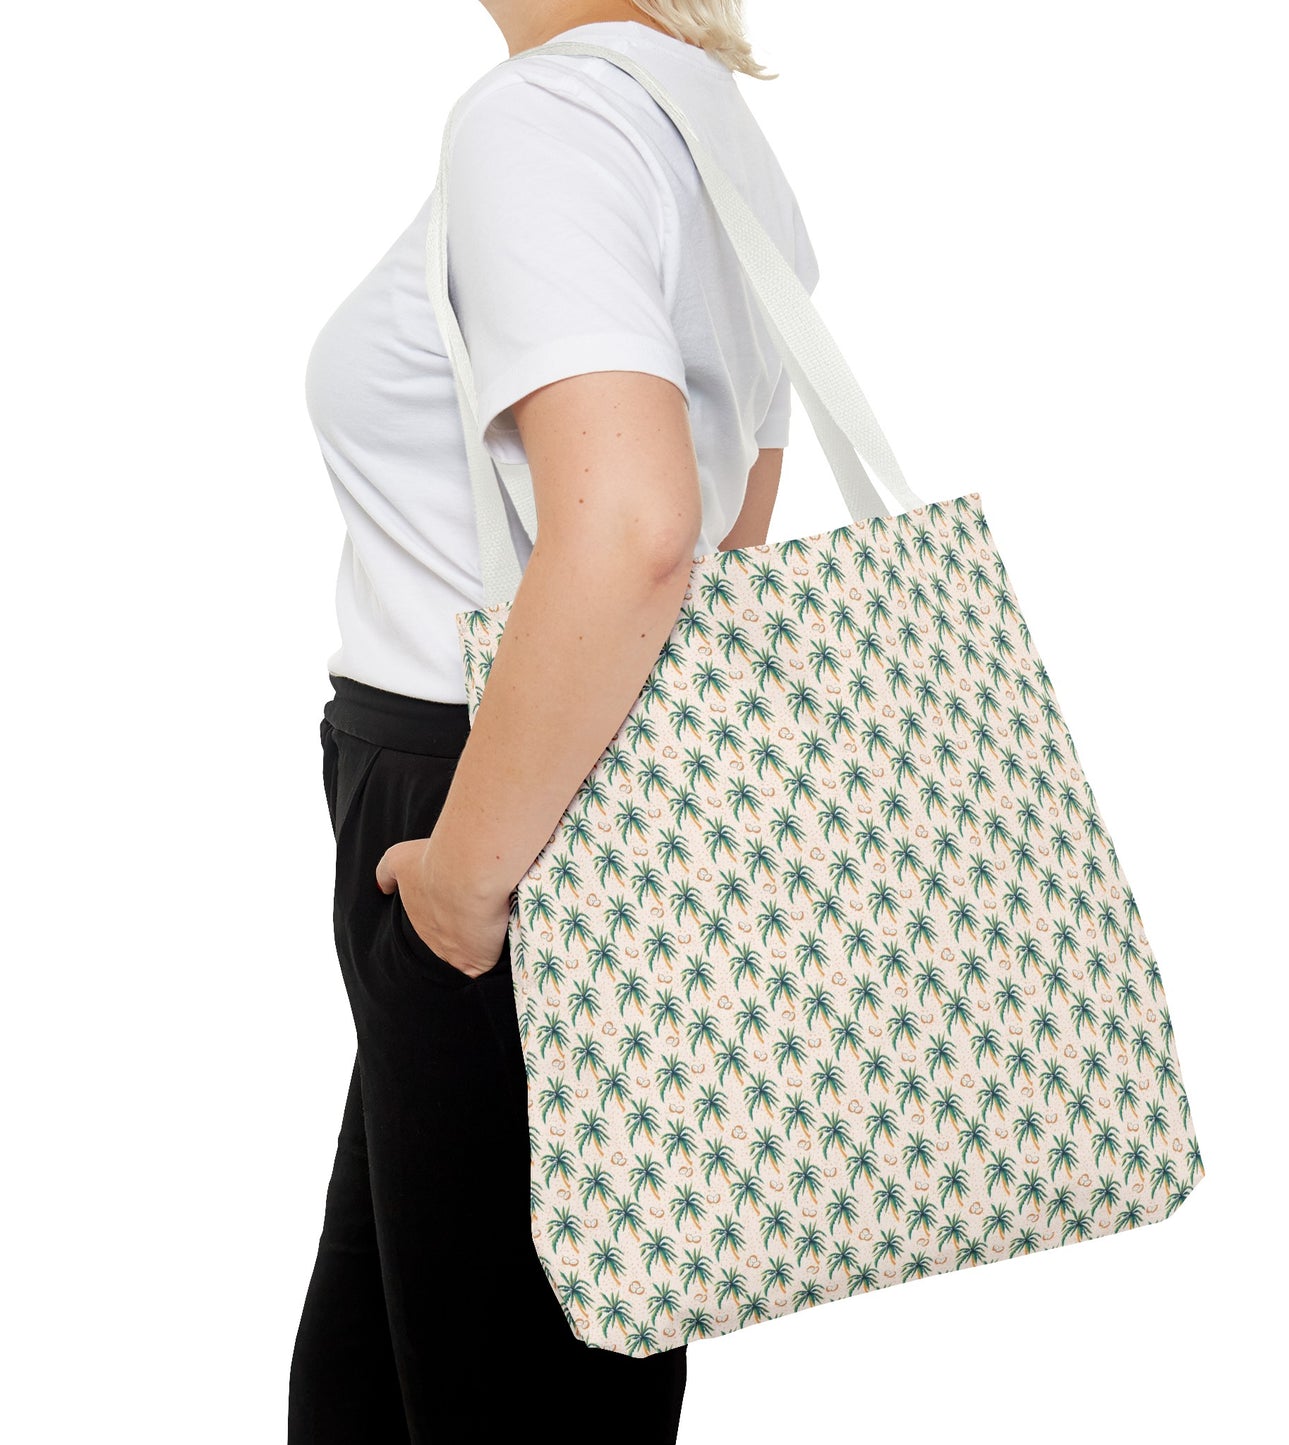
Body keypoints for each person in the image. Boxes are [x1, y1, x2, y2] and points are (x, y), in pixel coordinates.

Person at [288, 3, 819, 1440]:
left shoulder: (543, 122)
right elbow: (735, 527)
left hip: (486, 813)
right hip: (581, 786)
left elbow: (642, 529)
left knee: (499, 1394)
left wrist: (465, 884)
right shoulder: (698, 116)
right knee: (398, 1379)